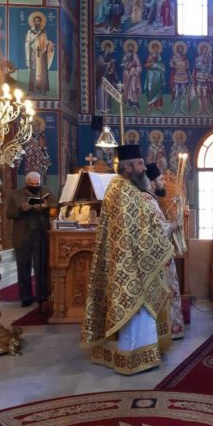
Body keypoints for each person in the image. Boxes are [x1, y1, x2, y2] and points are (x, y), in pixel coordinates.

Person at [81, 145, 174, 375]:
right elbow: (135, 230)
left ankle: (142, 353)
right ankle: (133, 356)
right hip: (130, 263)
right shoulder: (122, 191)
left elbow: (139, 225)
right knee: (135, 312)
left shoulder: (124, 188)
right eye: (140, 164)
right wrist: (163, 234)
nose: (144, 168)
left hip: (132, 259)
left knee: (141, 312)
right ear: (128, 167)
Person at [143, 163, 184, 339]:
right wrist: (173, 226)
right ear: (152, 183)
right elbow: (158, 230)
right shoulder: (148, 201)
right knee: (167, 291)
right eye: (160, 180)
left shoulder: (150, 199)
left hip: (160, 256)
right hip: (158, 258)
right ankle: (169, 329)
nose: (164, 183)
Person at [6, 171, 57, 310]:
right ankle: (26, 297)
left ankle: (42, 295)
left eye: (37, 184)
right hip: (23, 235)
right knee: (23, 267)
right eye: (32, 184)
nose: (35, 186)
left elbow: (56, 205)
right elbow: (9, 213)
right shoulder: (15, 194)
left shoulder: (46, 191)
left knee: (41, 266)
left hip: (41, 232)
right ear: (26, 183)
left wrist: (47, 207)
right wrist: (21, 209)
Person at [25, 12, 54, 95]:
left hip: (42, 54)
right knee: (33, 71)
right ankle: (32, 89)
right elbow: (27, 42)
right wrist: (33, 39)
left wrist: (48, 44)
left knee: (43, 71)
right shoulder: (30, 32)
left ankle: (42, 89)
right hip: (34, 54)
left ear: (41, 22)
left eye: (39, 21)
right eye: (36, 21)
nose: (37, 22)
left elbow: (45, 42)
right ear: (33, 22)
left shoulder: (43, 32)